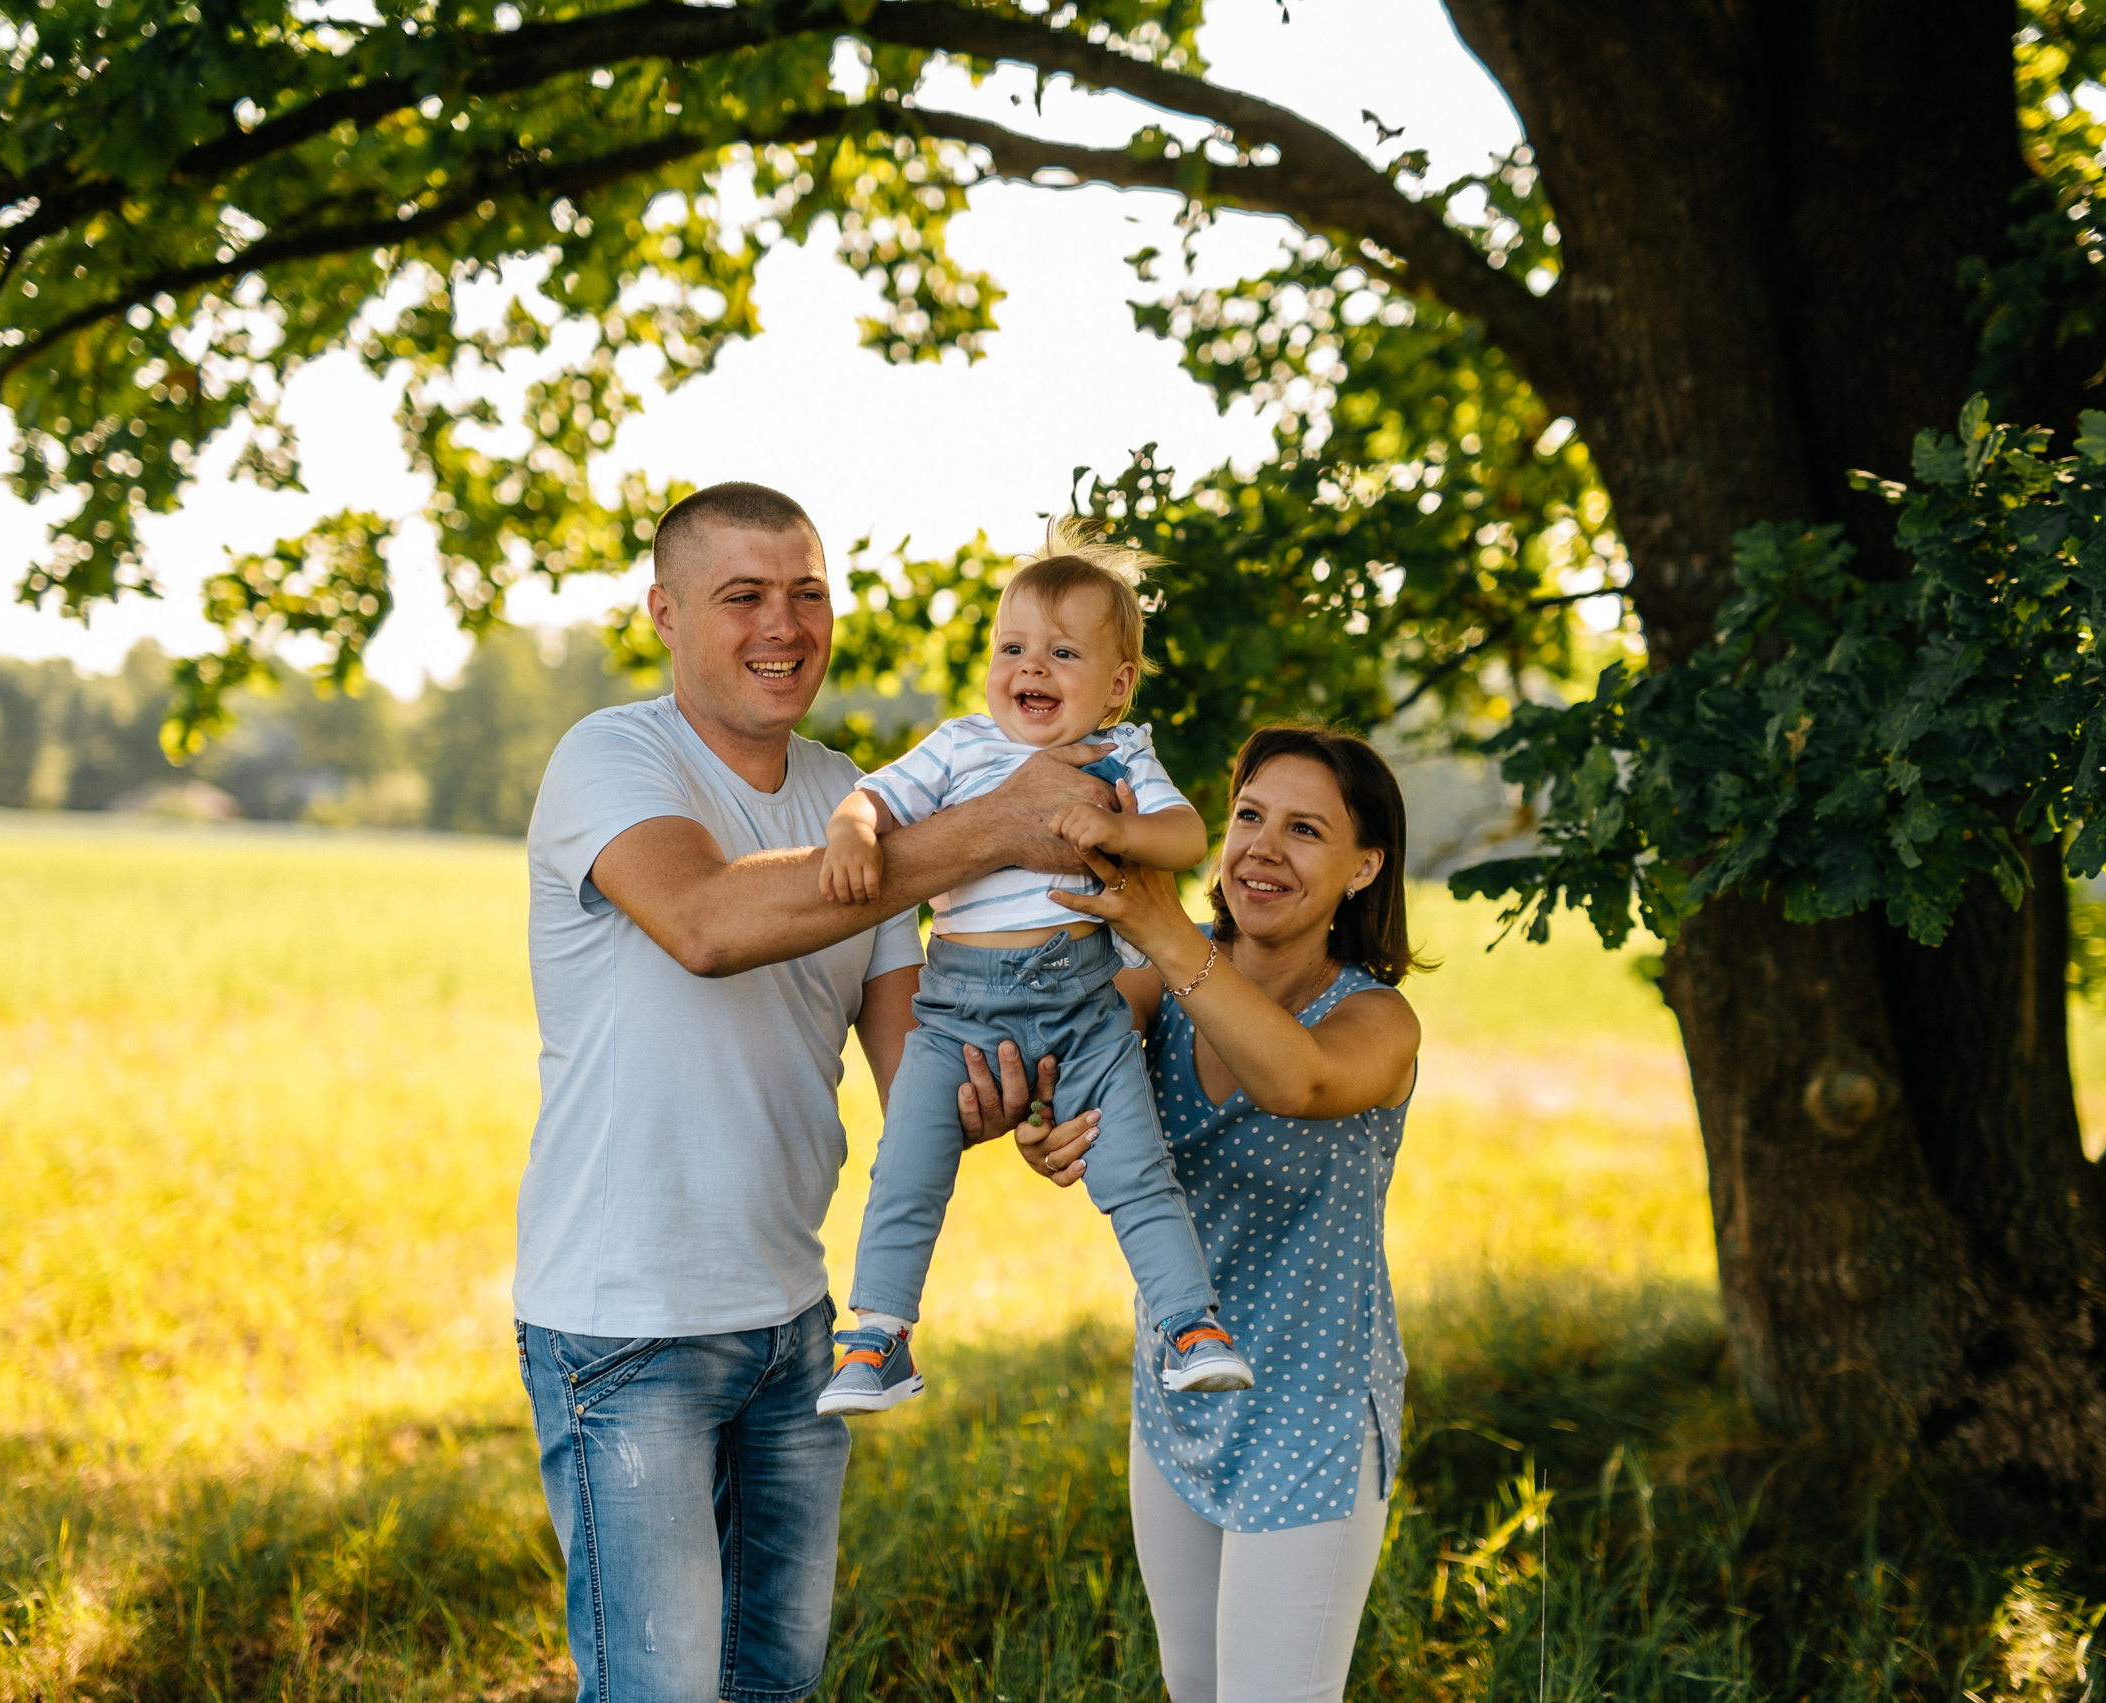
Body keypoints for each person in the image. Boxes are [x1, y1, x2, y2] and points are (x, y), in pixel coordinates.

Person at [514, 482, 1112, 1703]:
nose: (782, 624)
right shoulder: (612, 756)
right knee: (657, 1690)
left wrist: (1031, 1088)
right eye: (742, 595)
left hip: (793, 1323)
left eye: (806, 592)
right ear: (666, 613)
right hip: (625, 1323)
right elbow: (703, 921)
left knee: (773, 1685)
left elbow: (916, 1068)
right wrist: (992, 825)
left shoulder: (851, 789)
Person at [1020, 725, 1426, 1703]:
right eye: (1248, 815)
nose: (1261, 848)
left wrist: (1166, 931)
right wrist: (1042, 1115)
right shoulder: (1156, 985)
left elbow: (1297, 1080)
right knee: (1194, 1682)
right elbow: (1058, 1052)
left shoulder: (1376, 1019)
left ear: (1364, 866)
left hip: (1313, 1410)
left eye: (1305, 829)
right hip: (1178, 1391)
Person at [812, 521, 1252, 1418]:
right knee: (907, 1167)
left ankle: (1189, 1325)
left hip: (1085, 1009)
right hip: (956, 1015)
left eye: (1062, 652)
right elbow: (871, 797)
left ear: (1117, 684)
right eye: (1012, 648)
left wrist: (1120, 829)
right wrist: (852, 832)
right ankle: (878, 1336)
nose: (1031, 668)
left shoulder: (1121, 756)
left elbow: (1185, 835)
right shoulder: (960, 745)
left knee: (1136, 1170)